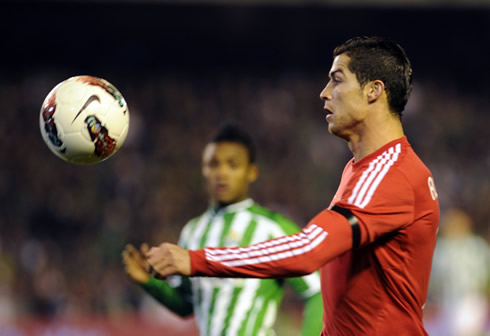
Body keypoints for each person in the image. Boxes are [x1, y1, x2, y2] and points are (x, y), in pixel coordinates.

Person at [145, 36, 441, 335]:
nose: (324, 93)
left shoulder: (391, 174)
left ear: (374, 91)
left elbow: (308, 250)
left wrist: (197, 259)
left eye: (337, 81)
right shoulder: (362, 169)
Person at [122, 123, 323, 336]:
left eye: (232, 165)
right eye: (213, 164)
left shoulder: (272, 228)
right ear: (203, 170)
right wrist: (148, 282)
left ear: (252, 172)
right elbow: (186, 305)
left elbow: (317, 293)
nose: (222, 173)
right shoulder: (192, 231)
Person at [425, 208, 489, 336]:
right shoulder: (440, 249)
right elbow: (432, 282)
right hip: (444, 303)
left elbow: (486, 278)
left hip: (471, 300)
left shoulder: (477, 246)